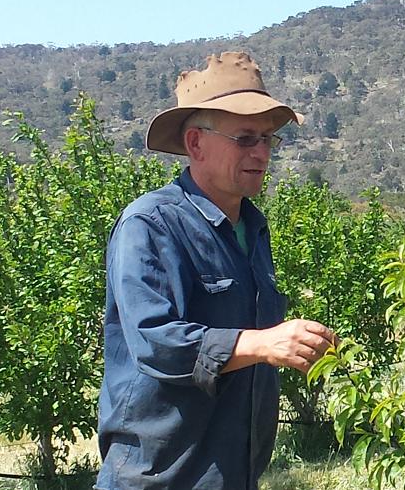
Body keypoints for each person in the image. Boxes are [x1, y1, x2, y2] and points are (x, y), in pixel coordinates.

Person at [96, 51, 336, 489]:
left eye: (268, 139)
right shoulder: (150, 225)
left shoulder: (253, 228)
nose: (262, 152)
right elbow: (155, 343)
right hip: (158, 479)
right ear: (195, 144)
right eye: (246, 138)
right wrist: (262, 343)